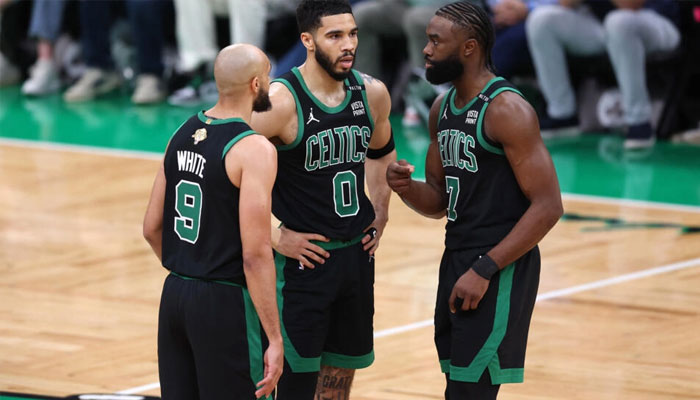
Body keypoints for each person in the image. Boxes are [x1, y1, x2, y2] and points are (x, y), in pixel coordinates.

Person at [386, 2, 562, 398]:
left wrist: (484, 269)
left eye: (435, 41)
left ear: (468, 48)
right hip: (457, 257)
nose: (426, 50)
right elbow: (438, 202)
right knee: (457, 384)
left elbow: (549, 207)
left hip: (499, 265)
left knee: (470, 392)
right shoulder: (440, 109)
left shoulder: (507, 110)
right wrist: (406, 187)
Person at [250, 1, 397, 398]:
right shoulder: (280, 101)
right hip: (303, 265)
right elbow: (223, 169)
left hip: (355, 259)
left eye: (352, 34)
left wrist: (381, 212)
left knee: (338, 381)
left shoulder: (372, 93)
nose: (348, 44)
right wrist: (274, 236)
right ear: (308, 41)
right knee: (294, 386)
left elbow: (381, 154)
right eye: (335, 36)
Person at [143, 43, 283, 399]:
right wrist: (274, 337)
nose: (270, 82)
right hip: (225, 303)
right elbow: (255, 254)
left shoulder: (181, 133)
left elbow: (151, 227)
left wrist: (192, 269)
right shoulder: (254, 149)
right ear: (255, 84)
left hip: (175, 294)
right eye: (267, 75)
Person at [526, 0, 680, 148]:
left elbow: (631, 4)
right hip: (601, 25)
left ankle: (639, 121)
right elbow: (565, 3)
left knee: (618, 23)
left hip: (655, 20)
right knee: (541, 20)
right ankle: (562, 114)